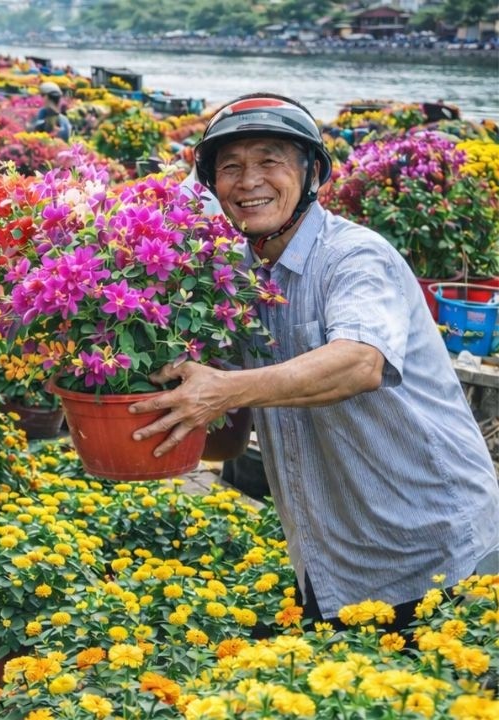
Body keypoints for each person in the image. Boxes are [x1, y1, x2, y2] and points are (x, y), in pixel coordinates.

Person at [130, 94, 499, 633]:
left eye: (269, 160)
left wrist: (224, 389)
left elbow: (359, 363)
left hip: (433, 552)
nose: (248, 180)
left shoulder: (353, 258)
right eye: (230, 167)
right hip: (331, 559)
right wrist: (133, 402)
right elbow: (228, 441)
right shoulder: (232, 277)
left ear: (311, 173)